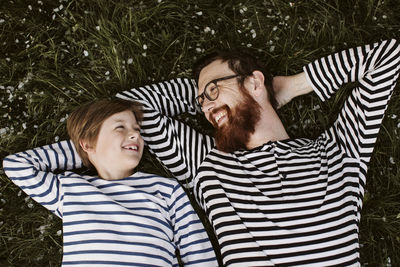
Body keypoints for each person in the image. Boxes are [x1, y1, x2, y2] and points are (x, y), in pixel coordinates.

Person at [116, 39, 400, 266]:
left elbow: (388, 57)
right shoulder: (208, 163)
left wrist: (288, 86)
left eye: (213, 89)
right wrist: (209, 94)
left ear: (254, 82)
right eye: (199, 101)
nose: (204, 107)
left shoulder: (339, 150)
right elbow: (127, 106)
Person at [2, 98, 218, 266]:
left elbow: (196, 249)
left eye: (137, 130)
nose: (135, 135)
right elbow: (17, 166)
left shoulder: (166, 189)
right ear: (87, 142)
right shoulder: (70, 189)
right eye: (120, 128)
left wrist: (97, 149)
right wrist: (87, 151)